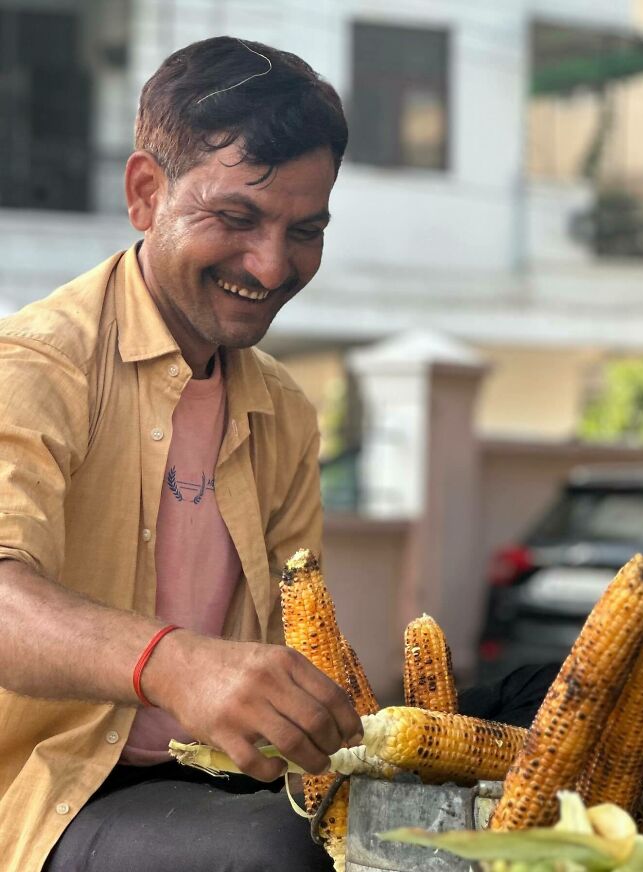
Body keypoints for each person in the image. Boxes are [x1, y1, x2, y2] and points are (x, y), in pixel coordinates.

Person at [0, 36, 362, 872]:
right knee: (276, 853)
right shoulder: (37, 365)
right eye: (235, 218)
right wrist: (172, 665)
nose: (271, 266)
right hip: (46, 797)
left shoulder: (284, 412)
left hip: (216, 785)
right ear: (144, 193)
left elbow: (298, 650)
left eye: (304, 231)